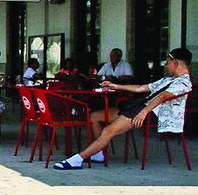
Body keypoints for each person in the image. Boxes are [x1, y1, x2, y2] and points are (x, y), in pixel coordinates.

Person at [54, 48, 192, 170]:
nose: (166, 66)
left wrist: (143, 112)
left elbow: (163, 96)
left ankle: (78, 159)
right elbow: (141, 88)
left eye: (168, 63)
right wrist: (116, 86)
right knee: (94, 116)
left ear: (175, 63)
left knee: (108, 131)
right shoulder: (168, 79)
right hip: (139, 106)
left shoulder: (184, 82)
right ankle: (98, 153)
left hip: (151, 112)